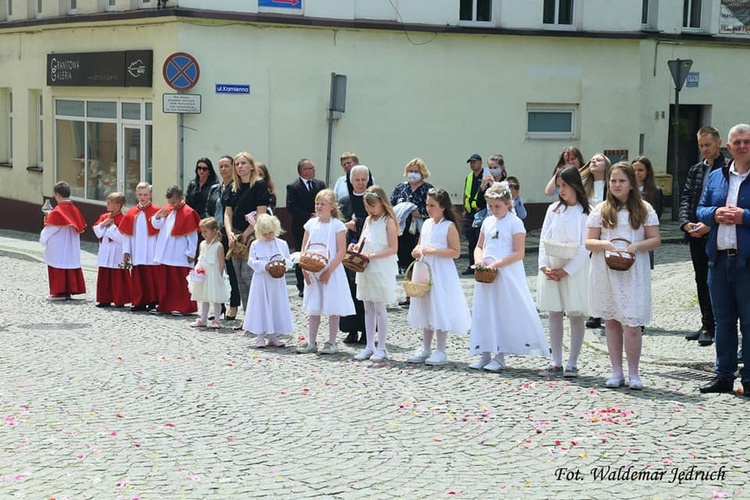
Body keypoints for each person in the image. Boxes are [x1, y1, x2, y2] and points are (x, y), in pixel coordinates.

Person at [586, 162, 660, 390]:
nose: (617, 185)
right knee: (611, 321)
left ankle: (634, 373)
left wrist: (636, 246)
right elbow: (589, 241)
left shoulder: (644, 209)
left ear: (631, 184)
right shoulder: (601, 209)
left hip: (633, 270)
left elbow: (655, 239)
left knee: (632, 323)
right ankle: (616, 371)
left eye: (622, 181)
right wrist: (605, 243)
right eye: (613, 181)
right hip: (606, 268)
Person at [469, 182, 548, 372]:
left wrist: (497, 264)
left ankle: (500, 355)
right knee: (485, 311)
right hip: (486, 274)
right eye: (490, 206)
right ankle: (485, 352)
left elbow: (518, 252)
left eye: (497, 206)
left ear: (507, 204)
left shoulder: (515, 223)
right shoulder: (487, 222)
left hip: (505, 273)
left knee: (502, 312)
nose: (493, 210)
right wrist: (479, 260)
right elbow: (480, 245)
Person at [696, 123, 750, 396]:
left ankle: (749, 379)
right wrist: (714, 213)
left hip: (746, 263)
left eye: (747, 142)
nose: (742, 146)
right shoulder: (717, 176)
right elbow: (701, 208)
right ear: (728, 147)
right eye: (737, 142)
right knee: (723, 321)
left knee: (749, 322)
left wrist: (745, 217)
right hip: (718, 260)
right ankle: (724, 376)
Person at [407, 188, 471, 366]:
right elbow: (420, 243)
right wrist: (417, 251)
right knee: (426, 306)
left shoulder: (448, 226)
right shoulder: (427, 224)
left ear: (443, 207)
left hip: (441, 271)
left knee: (439, 306)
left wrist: (433, 251)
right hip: (425, 269)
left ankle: (440, 349)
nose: (428, 208)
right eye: (427, 205)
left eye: (432, 205)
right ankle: (425, 347)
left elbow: (456, 252)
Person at [537, 167, 591, 377]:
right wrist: (543, 265)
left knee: (575, 313)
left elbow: (584, 246)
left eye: (565, 185)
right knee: (554, 312)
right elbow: (543, 238)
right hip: (553, 263)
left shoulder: (586, 212)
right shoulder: (553, 210)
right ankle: (556, 360)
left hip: (573, 269)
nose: (561, 190)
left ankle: (572, 361)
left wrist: (567, 270)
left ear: (575, 185)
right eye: (558, 186)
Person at [679, 126, 726, 346]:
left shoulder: (727, 168)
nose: (705, 149)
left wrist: (709, 224)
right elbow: (687, 197)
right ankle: (706, 322)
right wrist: (686, 223)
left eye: (708, 145)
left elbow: (726, 201)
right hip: (696, 232)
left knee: (715, 280)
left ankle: (714, 324)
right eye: (701, 145)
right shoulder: (696, 170)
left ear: (719, 143)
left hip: (716, 231)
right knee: (700, 278)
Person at [295, 189, 355, 354]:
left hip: (331, 271)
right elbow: (304, 248)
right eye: (317, 203)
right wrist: (305, 268)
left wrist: (329, 271)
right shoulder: (311, 224)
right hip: (312, 269)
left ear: (332, 207)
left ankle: (331, 342)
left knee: (332, 305)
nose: (319, 206)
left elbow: (341, 251)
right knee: (314, 307)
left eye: (323, 204)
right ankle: (311, 341)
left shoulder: (337, 226)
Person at [350, 186, 399, 362]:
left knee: (379, 307)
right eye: (368, 206)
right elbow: (363, 241)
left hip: (380, 266)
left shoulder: (388, 221)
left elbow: (393, 248)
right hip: (366, 267)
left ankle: (381, 346)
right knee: (367, 307)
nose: (370, 209)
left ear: (382, 203)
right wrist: (355, 247)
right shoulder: (369, 221)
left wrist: (373, 255)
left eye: (373, 205)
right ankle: (369, 345)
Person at [223, 151, 270, 315]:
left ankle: (259, 313)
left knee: (249, 274)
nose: (240, 167)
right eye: (237, 164)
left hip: (253, 234)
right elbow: (227, 212)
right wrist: (229, 233)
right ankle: (248, 315)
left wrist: (245, 234)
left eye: (243, 163)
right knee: (238, 276)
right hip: (235, 234)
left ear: (251, 166)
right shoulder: (232, 186)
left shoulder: (259, 185)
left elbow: (261, 213)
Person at [243, 214, 293, 348]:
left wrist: (283, 265)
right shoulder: (255, 244)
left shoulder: (282, 244)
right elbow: (251, 261)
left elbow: (289, 260)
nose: (268, 235)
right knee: (261, 305)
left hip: (277, 281)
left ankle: (273, 336)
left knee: (275, 305)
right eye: (264, 233)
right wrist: (264, 265)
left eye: (270, 232)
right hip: (262, 280)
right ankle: (260, 336)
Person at [390, 158, 434, 308]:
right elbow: (392, 206)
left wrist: (418, 212)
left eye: (416, 171)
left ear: (422, 173)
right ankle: (409, 292)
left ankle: (420, 291)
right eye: (411, 171)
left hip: (419, 230)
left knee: (418, 262)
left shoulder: (428, 189)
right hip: (402, 231)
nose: (413, 174)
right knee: (406, 261)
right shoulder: (400, 188)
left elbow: (432, 209)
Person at [151, 185, 201, 316]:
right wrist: (158, 216)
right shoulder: (168, 209)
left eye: (173, 201)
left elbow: (192, 235)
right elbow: (157, 225)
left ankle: (183, 307)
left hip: (180, 251)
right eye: (169, 202)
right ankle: (165, 305)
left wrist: (191, 252)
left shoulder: (188, 212)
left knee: (180, 282)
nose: (171, 204)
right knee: (166, 281)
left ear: (181, 198)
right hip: (166, 250)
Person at [339, 165, 374, 344]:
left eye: (363, 180)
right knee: (350, 290)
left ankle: (367, 331)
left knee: (366, 292)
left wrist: (358, 223)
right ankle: (350, 329)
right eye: (356, 180)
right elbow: (338, 222)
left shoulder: (373, 199)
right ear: (350, 181)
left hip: (368, 250)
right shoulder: (344, 200)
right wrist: (347, 224)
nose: (360, 183)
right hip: (348, 250)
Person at [205, 155, 240, 320]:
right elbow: (208, 210)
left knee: (231, 271)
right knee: (216, 272)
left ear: (233, 167)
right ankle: (219, 305)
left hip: (229, 234)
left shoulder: (236, 187)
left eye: (227, 166)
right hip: (214, 234)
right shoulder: (214, 189)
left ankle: (234, 305)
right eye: (221, 166)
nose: (223, 169)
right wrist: (209, 229)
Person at [40, 181, 87, 300]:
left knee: (57, 266)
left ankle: (58, 292)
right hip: (71, 245)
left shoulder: (57, 211)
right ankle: (68, 290)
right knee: (68, 265)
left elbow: (50, 229)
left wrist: (43, 239)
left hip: (58, 246)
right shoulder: (75, 209)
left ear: (57, 195)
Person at [286, 158, 326, 297]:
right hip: (301, 226)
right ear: (303, 171)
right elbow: (291, 207)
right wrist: (309, 216)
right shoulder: (293, 187)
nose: (314, 170)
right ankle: (302, 285)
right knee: (302, 254)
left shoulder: (320, 184)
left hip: (320, 224)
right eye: (311, 168)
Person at [120, 182, 161, 312]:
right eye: (140, 194)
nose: (142, 197)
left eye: (145, 194)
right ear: (136, 195)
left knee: (151, 276)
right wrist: (126, 251)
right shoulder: (131, 212)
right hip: (136, 248)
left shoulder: (156, 211)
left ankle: (153, 300)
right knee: (138, 276)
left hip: (151, 248)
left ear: (150, 195)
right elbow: (126, 233)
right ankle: (139, 301)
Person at [582, 152, 611, 330]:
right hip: (588, 231)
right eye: (592, 159)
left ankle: (607, 312)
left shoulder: (611, 184)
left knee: (605, 274)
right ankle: (595, 313)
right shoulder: (585, 185)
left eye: (598, 159)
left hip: (606, 231)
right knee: (592, 275)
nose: (594, 161)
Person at [189, 217, 230, 329]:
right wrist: (197, 270)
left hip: (214, 275)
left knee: (216, 298)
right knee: (204, 297)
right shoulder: (202, 244)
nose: (203, 234)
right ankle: (203, 319)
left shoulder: (218, 246)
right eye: (202, 231)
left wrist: (220, 276)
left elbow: (222, 263)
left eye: (206, 231)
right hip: (204, 274)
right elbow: (201, 258)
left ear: (214, 231)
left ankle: (217, 319)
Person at [92, 191, 131, 308]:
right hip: (105, 250)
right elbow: (97, 231)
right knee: (104, 275)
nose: (106, 205)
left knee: (118, 276)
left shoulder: (124, 219)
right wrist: (104, 224)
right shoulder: (104, 217)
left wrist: (112, 227)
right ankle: (104, 299)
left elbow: (123, 238)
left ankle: (120, 299)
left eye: (109, 203)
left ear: (118, 205)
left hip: (117, 250)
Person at [463, 153, 490, 275]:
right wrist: (464, 208)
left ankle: (482, 264)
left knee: (481, 240)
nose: (472, 164)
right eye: (471, 162)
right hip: (470, 212)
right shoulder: (469, 177)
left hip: (481, 211)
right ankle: (471, 265)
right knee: (471, 240)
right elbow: (465, 193)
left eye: (474, 162)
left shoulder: (486, 175)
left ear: (480, 162)